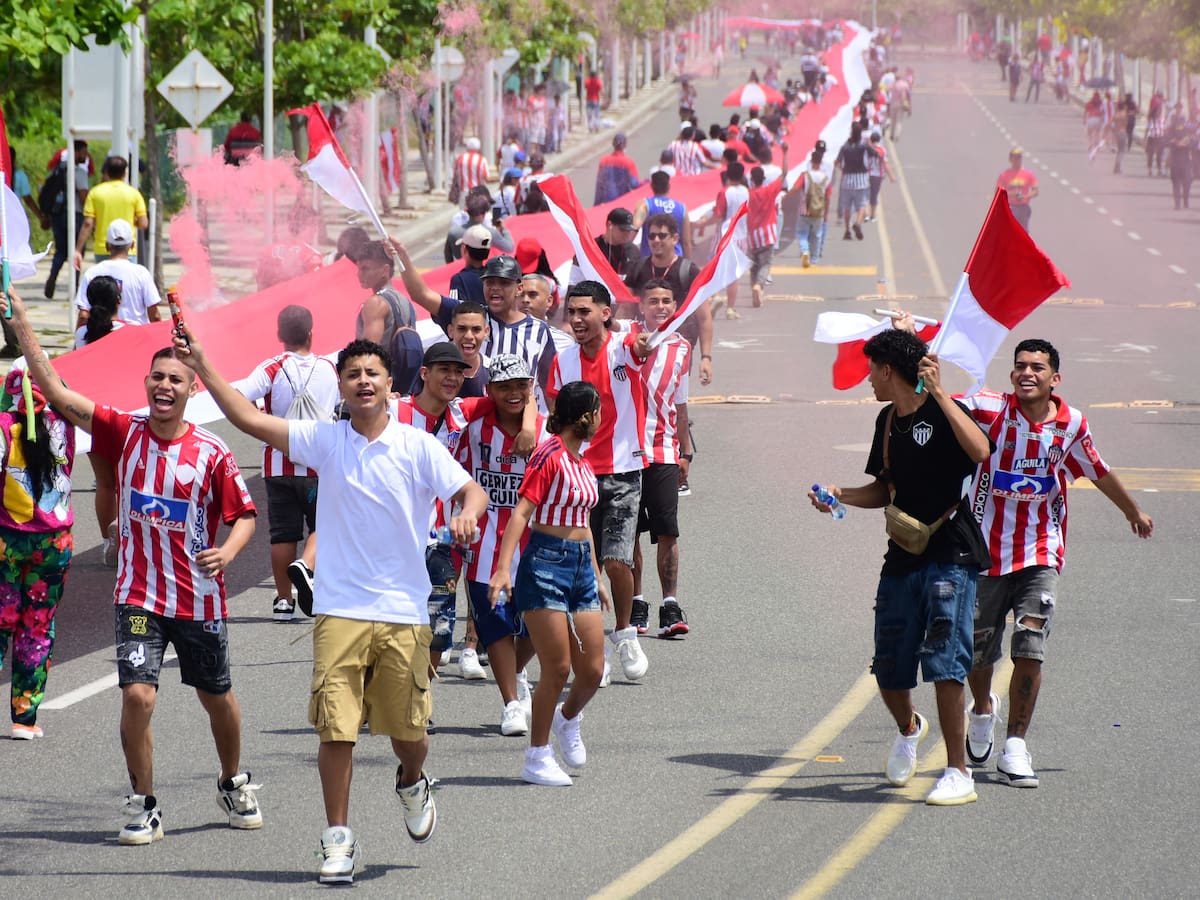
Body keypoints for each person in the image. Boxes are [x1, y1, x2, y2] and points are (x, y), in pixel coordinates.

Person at [174, 327, 487, 884]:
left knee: (408, 734)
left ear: (392, 385)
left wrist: (465, 510)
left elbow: (472, 492)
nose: (363, 381)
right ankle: (336, 838)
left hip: (402, 609)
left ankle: (412, 780)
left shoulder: (418, 446)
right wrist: (201, 363)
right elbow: (249, 420)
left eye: (373, 374)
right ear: (339, 387)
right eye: (352, 375)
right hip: (339, 608)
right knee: (335, 729)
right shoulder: (327, 440)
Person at [2, 286, 262, 844]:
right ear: (147, 386)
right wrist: (23, 322)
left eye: (176, 380)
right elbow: (53, 388)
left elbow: (245, 516)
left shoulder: (213, 453)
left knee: (217, 699)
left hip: (198, 599)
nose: (165, 386)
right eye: (157, 378)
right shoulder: (124, 433)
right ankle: (144, 801)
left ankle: (232, 778)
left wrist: (230, 551)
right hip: (138, 597)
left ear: (192, 389)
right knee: (138, 694)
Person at [808, 327, 993, 806]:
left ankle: (958, 771)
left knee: (946, 662)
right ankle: (909, 728)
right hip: (902, 557)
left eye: (872, 369)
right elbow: (882, 488)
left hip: (951, 553)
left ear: (888, 371)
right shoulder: (887, 422)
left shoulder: (945, 411)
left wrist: (940, 392)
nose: (869, 378)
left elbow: (980, 452)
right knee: (889, 666)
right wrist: (839, 496)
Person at [958, 338, 1153, 789]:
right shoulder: (988, 410)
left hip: (1040, 551)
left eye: (1038, 367)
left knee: (1030, 642)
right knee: (979, 646)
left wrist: (1132, 511)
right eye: (1020, 366)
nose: (1027, 373)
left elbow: (1097, 469)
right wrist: (920, 350)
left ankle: (1015, 747)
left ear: (1054, 378)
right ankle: (983, 708)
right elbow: (934, 398)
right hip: (984, 553)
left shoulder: (1071, 425)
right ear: (1012, 374)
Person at [488, 381, 609, 786]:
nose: (601, 418)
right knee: (556, 668)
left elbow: (585, 524)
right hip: (545, 564)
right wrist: (504, 569)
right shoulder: (550, 455)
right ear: (585, 416)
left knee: (592, 669)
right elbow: (522, 512)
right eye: (597, 411)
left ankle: (567, 718)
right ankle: (536, 757)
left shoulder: (582, 461)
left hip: (579, 568)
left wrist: (595, 572)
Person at [547, 281, 652, 683]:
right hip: (578, 473)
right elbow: (557, 417)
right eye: (571, 312)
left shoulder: (625, 348)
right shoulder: (563, 361)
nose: (575, 320)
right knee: (583, 568)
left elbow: (642, 348)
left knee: (615, 560)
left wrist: (641, 345)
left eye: (584, 312)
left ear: (605, 313)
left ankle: (624, 632)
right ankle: (594, 648)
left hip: (623, 469)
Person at [455, 355, 544, 734]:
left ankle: (519, 671)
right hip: (484, 543)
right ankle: (510, 703)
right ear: (489, 389)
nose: (513, 393)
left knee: (540, 624)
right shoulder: (472, 426)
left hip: (535, 544)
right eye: (504, 386)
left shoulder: (546, 431)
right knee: (496, 627)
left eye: (520, 385)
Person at [233, 305, 339, 621]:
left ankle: (282, 601)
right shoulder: (329, 367)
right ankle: (305, 566)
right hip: (319, 465)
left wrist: (259, 418)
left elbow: (238, 394)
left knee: (282, 533)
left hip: (278, 462)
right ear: (311, 333)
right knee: (324, 525)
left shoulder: (273, 367)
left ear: (279, 334)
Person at [0, 364, 74, 740]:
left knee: (0, 619)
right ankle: (23, 719)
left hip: (5, 539)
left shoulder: (2, 423)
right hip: (54, 541)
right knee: (37, 626)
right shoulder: (66, 423)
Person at [393, 247, 559, 409]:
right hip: (468, 422)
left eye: (503, 282)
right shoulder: (470, 317)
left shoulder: (540, 331)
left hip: (520, 425)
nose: (495, 287)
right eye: (490, 282)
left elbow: (549, 388)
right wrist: (402, 256)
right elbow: (421, 294)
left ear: (519, 288)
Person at [626, 281, 692, 638]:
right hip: (626, 452)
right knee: (631, 532)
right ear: (642, 305)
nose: (661, 307)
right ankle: (637, 601)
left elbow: (680, 404)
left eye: (667, 301)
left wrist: (687, 451)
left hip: (664, 450)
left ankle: (670, 604)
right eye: (654, 301)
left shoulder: (682, 347)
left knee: (668, 530)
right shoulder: (627, 338)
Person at [354, 239, 423, 392]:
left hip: (380, 388)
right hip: (405, 387)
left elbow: (367, 353)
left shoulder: (375, 303)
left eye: (365, 268)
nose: (359, 274)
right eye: (359, 268)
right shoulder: (406, 302)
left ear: (385, 270)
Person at [74, 219, 163, 329]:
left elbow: (83, 315)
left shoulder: (92, 273)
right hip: (136, 339)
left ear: (107, 246)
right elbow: (154, 315)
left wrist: (78, 343)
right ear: (132, 245)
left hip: (102, 338)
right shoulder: (141, 273)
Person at [694, 162, 749, 319]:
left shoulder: (725, 192)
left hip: (724, 235)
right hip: (741, 236)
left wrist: (702, 224)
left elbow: (718, 215)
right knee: (734, 274)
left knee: (714, 268)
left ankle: (716, 295)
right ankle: (731, 309)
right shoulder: (746, 191)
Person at [73, 155, 148, 268]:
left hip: (103, 248)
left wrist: (78, 250)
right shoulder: (134, 194)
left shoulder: (95, 193)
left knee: (106, 284)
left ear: (107, 172)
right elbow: (143, 223)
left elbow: (88, 223)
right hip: (128, 248)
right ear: (125, 174)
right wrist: (133, 221)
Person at [42, 139, 90, 299]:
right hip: (75, 215)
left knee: (61, 251)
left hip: (57, 215)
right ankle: (75, 288)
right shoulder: (79, 173)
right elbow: (83, 197)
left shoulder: (57, 170)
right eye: (84, 151)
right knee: (77, 250)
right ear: (77, 152)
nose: (86, 155)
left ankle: (53, 276)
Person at [745, 151, 789, 310]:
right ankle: (759, 286)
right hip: (768, 234)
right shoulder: (769, 191)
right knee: (766, 264)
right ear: (763, 179)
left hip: (753, 236)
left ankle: (755, 291)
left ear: (751, 180)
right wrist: (784, 153)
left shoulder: (748, 194)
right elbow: (784, 174)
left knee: (754, 266)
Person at [787, 141, 833, 268]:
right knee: (817, 235)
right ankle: (814, 259)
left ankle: (805, 250)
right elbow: (828, 197)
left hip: (804, 210)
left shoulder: (805, 176)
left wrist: (785, 197)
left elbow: (795, 188)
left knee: (802, 233)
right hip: (819, 211)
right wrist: (826, 213)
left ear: (811, 161)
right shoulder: (825, 178)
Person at [633, 171, 692, 259]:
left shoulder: (645, 205)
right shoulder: (682, 208)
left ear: (651, 186)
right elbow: (686, 242)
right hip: (675, 262)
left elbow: (633, 229)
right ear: (668, 186)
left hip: (650, 261)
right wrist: (688, 266)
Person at [834, 122, 876, 241]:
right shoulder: (863, 146)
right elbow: (875, 155)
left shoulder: (845, 147)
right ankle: (858, 223)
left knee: (847, 207)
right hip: (861, 180)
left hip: (847, 180)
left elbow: (837, 162)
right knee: (862, 205)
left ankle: (847, 230)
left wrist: (842, 169)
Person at [997, 147, 1039, 232]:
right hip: (1010, 208)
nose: (1017, 160)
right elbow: (998, 192)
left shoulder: (1028, 174)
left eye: (1019, 157)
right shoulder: (1004, 175)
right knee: (1010, 232)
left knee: (1023, 233)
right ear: (1010, 159)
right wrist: (1012, 194)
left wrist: (1025, 196)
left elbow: (1035, 191)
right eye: (1014, 157)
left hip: (1023, 208)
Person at [594, 133, 640, 205]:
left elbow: (600, 185)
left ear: (613, 144)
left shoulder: (604, 161)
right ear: (625, 145)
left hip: (608, 203)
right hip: (623, 202)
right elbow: (635, 184)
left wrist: (596, 204)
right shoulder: (629, 162)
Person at [865, 132, 896, 222]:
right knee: (874, 195)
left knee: (865, 194)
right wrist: (891, 176)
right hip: (877, 175)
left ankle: (865, 214)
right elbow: (885, 164)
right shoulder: (882, 150)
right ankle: (873, 215)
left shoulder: (867, 148)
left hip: (867, 173)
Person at [451, 137, 490, 203]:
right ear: (478, 148)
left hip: (463, 193)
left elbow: (455, 176)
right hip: (477, 194)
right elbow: (487, 179)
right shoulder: (482, 159)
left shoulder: (460, 159)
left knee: (464, 212)